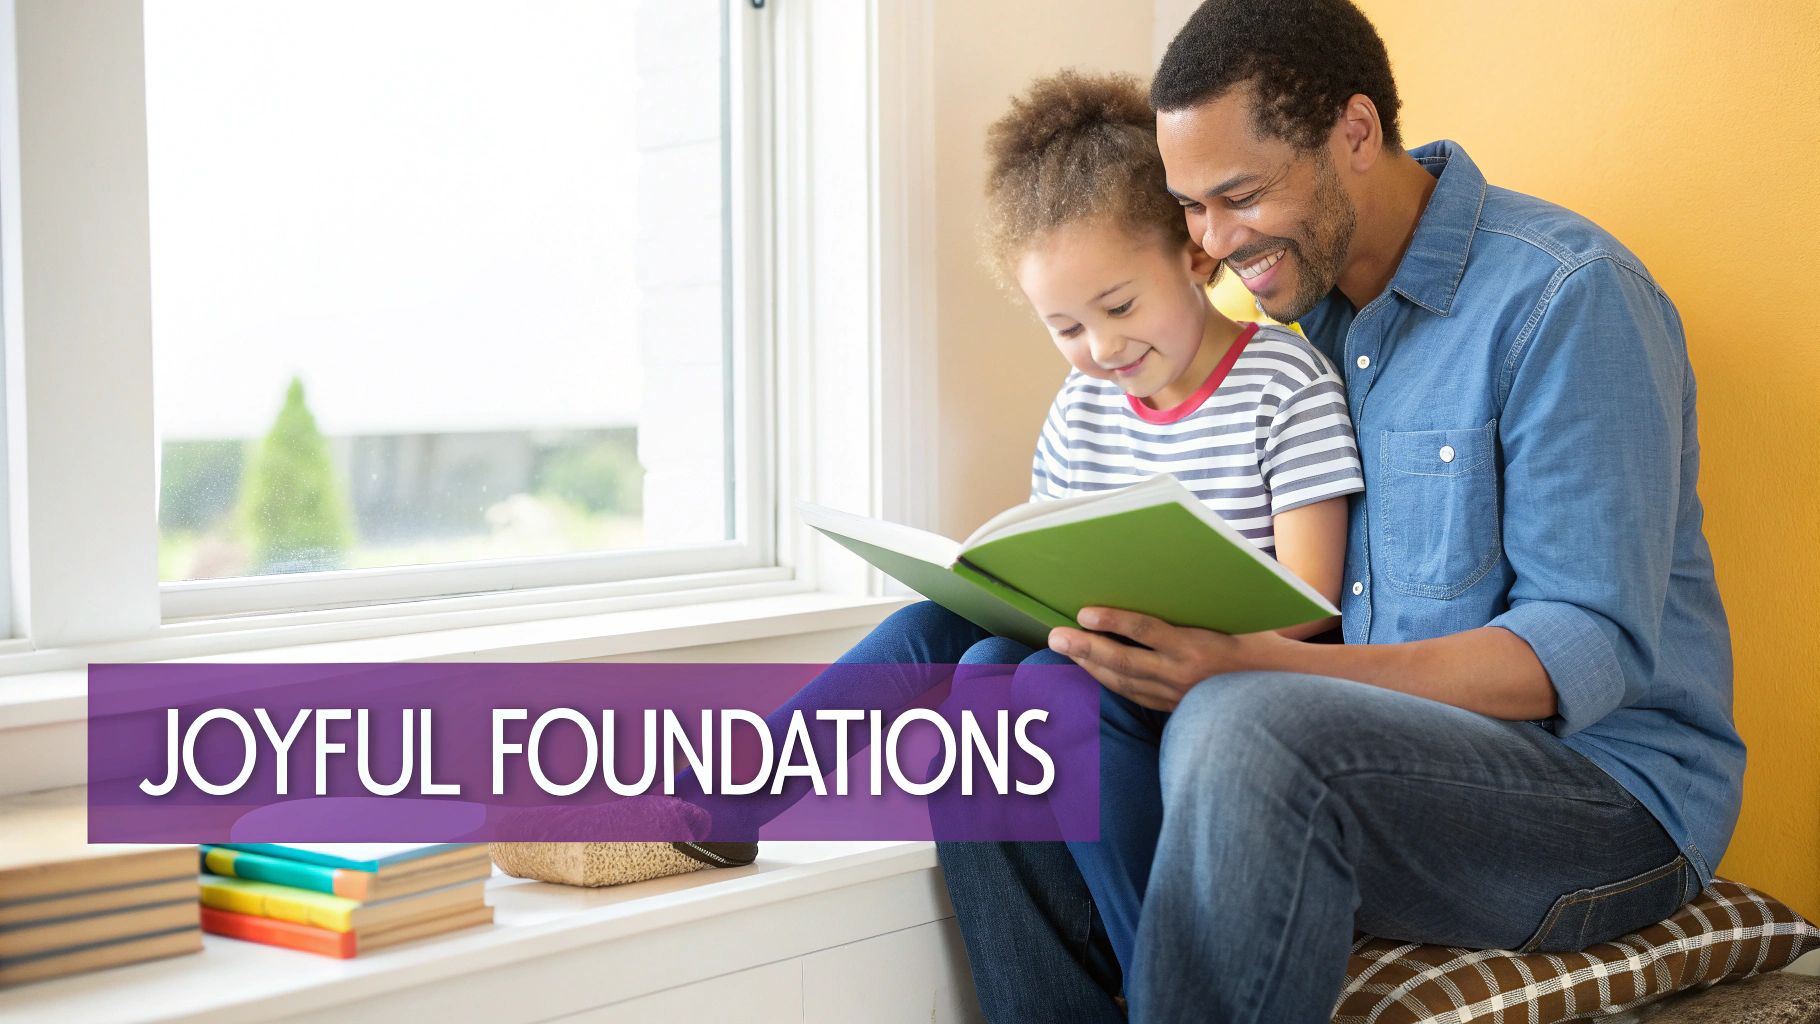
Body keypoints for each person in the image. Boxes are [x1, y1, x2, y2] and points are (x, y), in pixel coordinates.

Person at [933, 2, 1745, 1022]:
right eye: (1189, 208)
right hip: (1357, 761)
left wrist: (1255, 665)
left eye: (1239, 196)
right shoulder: (1282, 330)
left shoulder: (1563, 299)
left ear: (1353, 133)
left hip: (1601, 798)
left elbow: (1578, 647)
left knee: (1241, 720)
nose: (1214, 243)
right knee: (1000, 697)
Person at [679, 70, 1364, 847]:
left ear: (1194, 256)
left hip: (1217, 681)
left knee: (1039, 682)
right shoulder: (1082, 408)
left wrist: (1199, 647)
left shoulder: (1284, 382)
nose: (1102, 348)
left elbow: (1311, 603)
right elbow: (1049, 563)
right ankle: (726, 805)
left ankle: (1155, 965)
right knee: (937, 631)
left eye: (1120, 307)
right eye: (1067, 328)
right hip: (1099, 654)